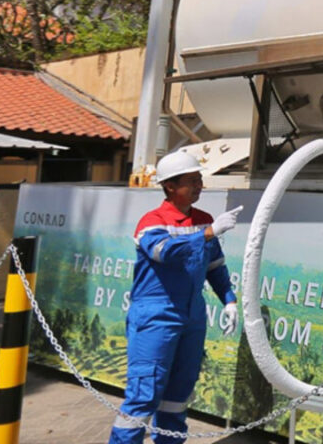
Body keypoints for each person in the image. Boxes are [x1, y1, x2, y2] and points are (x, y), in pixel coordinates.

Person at [108, 151, 243, 444]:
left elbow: (215, 266)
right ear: (170, 186)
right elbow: (165, 252)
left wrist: (229, 299)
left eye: (199, 179)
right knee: (144, 394)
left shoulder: (203, 220)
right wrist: (208, 233)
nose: (199, 186)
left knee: (178, 395)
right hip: (156, 316)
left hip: (192, 316)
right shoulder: (152, 222)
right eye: (191, 181)